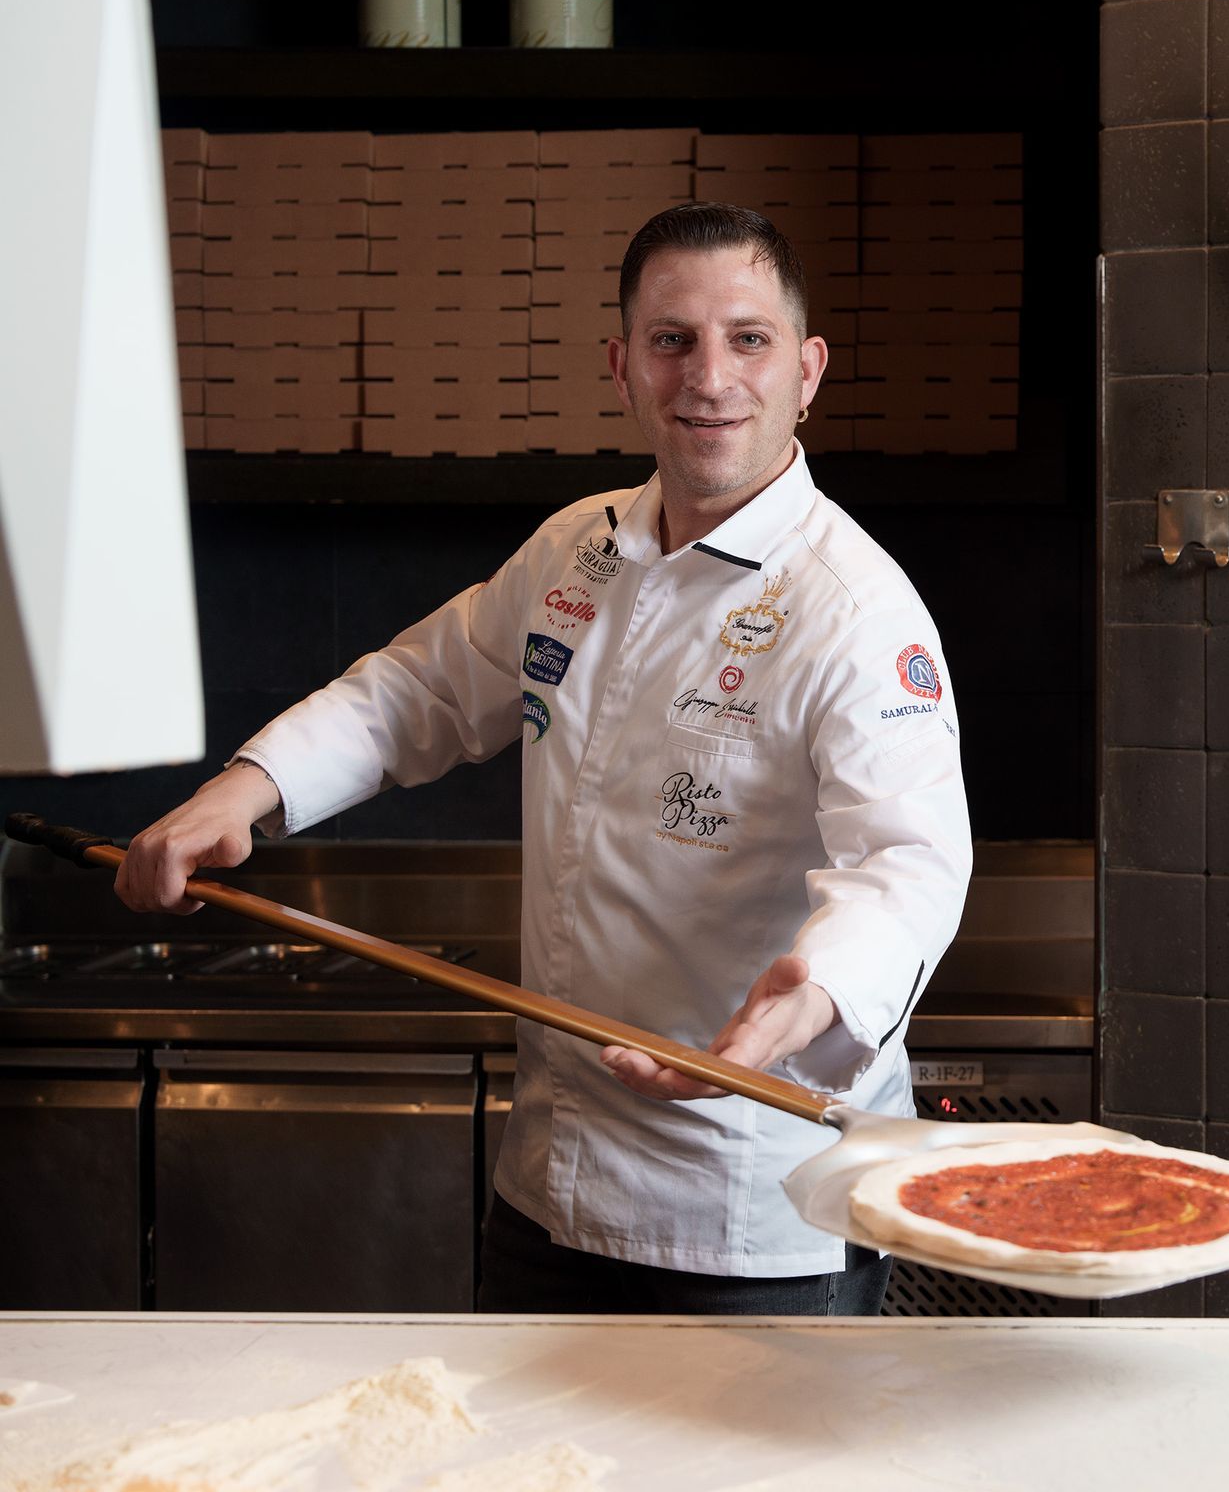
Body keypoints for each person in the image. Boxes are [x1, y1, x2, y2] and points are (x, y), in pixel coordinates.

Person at [115, 201, 972, 1315]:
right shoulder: (576, 549)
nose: (709, 377)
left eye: (747, 339)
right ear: (622, 366)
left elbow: (908, 866)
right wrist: (246, 791)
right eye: (672, 340)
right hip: (547, 1192)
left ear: (806, 370)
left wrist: (800, 1006)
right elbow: (415, 690)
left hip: (750, 1213)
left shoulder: (855, 610)